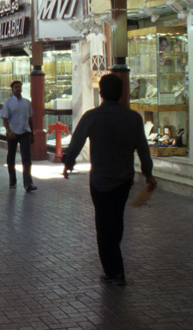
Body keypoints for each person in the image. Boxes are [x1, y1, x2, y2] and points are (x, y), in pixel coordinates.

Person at [63, 74, 156, 285]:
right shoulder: (133, 118)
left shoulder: (92, 117)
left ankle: (114, 271)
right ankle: (115, 262)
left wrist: (68, 164)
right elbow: (143, 149)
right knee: (116, 220)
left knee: (103, 225)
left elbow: (76, 143)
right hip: (124, 180)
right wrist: (148, 173)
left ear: (101, 92)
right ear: (122, 92)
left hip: (100, 181)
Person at [1, 80, 36, 192]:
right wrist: (9, 131)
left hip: (25, 132)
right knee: (11, 157)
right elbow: (5, 120)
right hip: (12, 133)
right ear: (12, 89)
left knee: (26, 159)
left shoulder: (27, 102)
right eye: (16, 87)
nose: (18, 89)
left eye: (19, 87)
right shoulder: (8, 103)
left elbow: (30, 119)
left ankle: (28, 184)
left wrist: (32, 133)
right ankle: (12, 181)